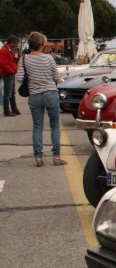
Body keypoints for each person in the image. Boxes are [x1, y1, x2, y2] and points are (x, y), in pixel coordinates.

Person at [16, 32, 67, 167]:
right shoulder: (49, 58)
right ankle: (56, 155)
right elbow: (56, 76)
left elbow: (19, 79)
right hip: (50, 93)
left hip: (34, 95)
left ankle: (38, 157)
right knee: (55, 125)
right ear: (41, 44)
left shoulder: (24, 59)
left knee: (37, 126)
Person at [1, 35, 21, 116]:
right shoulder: (4, 51)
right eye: (16, 43)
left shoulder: (8, 50)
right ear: (12, 42)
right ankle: (6, 110)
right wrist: (12, 70)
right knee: (8, 93)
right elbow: (3, 64)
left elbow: (12, 60)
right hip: (8, 74)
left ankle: (14, 108)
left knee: (11, 92)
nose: (16, 45)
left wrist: (17, 57)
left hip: (10, 73)